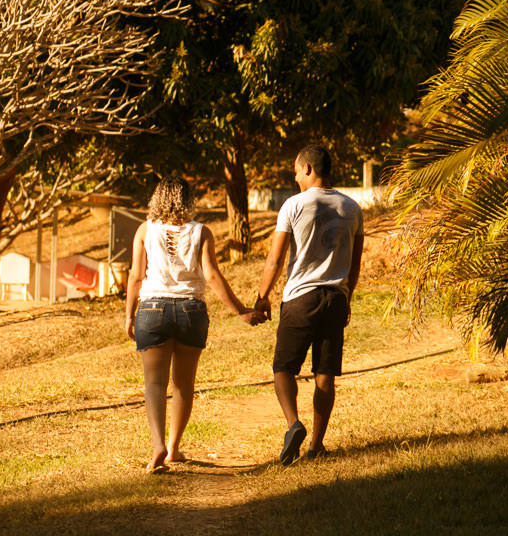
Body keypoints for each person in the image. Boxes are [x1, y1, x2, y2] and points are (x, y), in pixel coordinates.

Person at [125, 175, 263, 473]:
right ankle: (174, 448)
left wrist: (128, 315)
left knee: (154, 383)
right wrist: (240, 311)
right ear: (188, 200)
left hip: (151, 310)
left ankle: (157, 445)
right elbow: (212, 276)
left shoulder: (144, 230)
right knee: (183, 384)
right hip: (191, 311)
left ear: (157, 198)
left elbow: (136, 276)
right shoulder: (202, 232)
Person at [255, 144, 364, 465]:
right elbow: (355, 265)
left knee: (283, 368)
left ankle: (293, 424)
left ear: (307, 169)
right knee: (325, 373)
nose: (293, 175)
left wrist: (262, 297)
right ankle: (316, 445)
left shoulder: (293, 205)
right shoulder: (353, 208)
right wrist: (347, 298)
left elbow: (275, 258)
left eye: (295, 168)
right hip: (335, 298)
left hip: (300, 298)